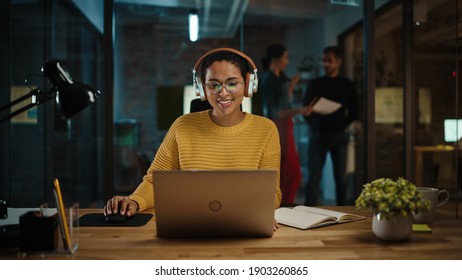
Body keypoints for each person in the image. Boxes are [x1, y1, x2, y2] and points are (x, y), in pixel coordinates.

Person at [104, 48, 282, 228]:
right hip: (189, 224)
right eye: (214, 85)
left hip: (244, 224)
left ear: (249, 85)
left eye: (232, 83)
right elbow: (154, 181)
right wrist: (134, 201)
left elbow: (272, 193)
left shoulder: (266, 129)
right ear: (202, 89)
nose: (223, 93)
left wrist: (254, 211)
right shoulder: (182, 126)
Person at [302, 46, 358, 206]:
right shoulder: (315, 84)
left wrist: (342, 125)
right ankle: (307, 213)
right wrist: (315, 124)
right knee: (313, 177)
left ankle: (343, 213)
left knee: (341, 178)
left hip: (340, 135)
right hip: (318, 135)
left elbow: (355, 111)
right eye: (323, 60)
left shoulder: (347, 84)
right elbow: (306, 108)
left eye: (329, 61)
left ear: (339, 62)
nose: (325, 64)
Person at [259, 43, 310, 205]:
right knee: (293, 175)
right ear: (275, 59)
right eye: (285, 57)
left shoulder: (277, 78)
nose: (287, 61)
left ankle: (281, 207)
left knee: (284, 174)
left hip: (285, 127)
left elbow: (283, 103)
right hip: (279, 128)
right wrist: (299, 110)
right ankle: (284, 207)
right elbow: (275, 113)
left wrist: (292, 86)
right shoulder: (269, 80)